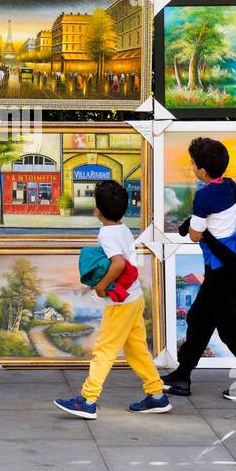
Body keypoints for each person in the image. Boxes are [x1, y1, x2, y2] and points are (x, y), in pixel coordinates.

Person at [54, 180, 170, 419]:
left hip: (120, 303)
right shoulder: (124, 229)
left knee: (104, 350)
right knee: (137, 349)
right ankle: (157, 395)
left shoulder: (106, 233)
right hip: (134, 298)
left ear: (98, 210)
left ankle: (88, 400)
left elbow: (118, 263)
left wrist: (101, 286)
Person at [161, 137, 236, 401]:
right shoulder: (228, 185)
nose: (191, 166)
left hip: (222, 272)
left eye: (193, 163)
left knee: (231, 329)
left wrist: (192, 227)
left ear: (201, 171)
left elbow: (195, 234)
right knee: (199, 319)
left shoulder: (203, 195)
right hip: (227, 268)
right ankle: (183, 374)